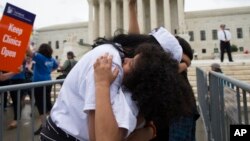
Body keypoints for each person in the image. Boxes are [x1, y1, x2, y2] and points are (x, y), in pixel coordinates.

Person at [40, 33, 189, 141]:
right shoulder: (109, 63)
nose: (127, 59)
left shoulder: (121, 80)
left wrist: (102, 84)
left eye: (132, 62)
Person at [128, 1, 199, 140]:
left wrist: (184, 63)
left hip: (179, 113)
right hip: (163, 114)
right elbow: (133, 41)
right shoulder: (156, 60)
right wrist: (132, 8)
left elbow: (185, 59)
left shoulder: (175, 49)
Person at [26, 43, 58, 135]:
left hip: (39, 84)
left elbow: (29, 52)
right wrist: (48, 71)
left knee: (41, 105)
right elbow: (56, 66)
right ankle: (52, 122)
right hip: (48, 82)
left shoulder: (40, 57)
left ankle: (44, 126)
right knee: (47, 103)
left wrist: (25, 42)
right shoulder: (51, 59)